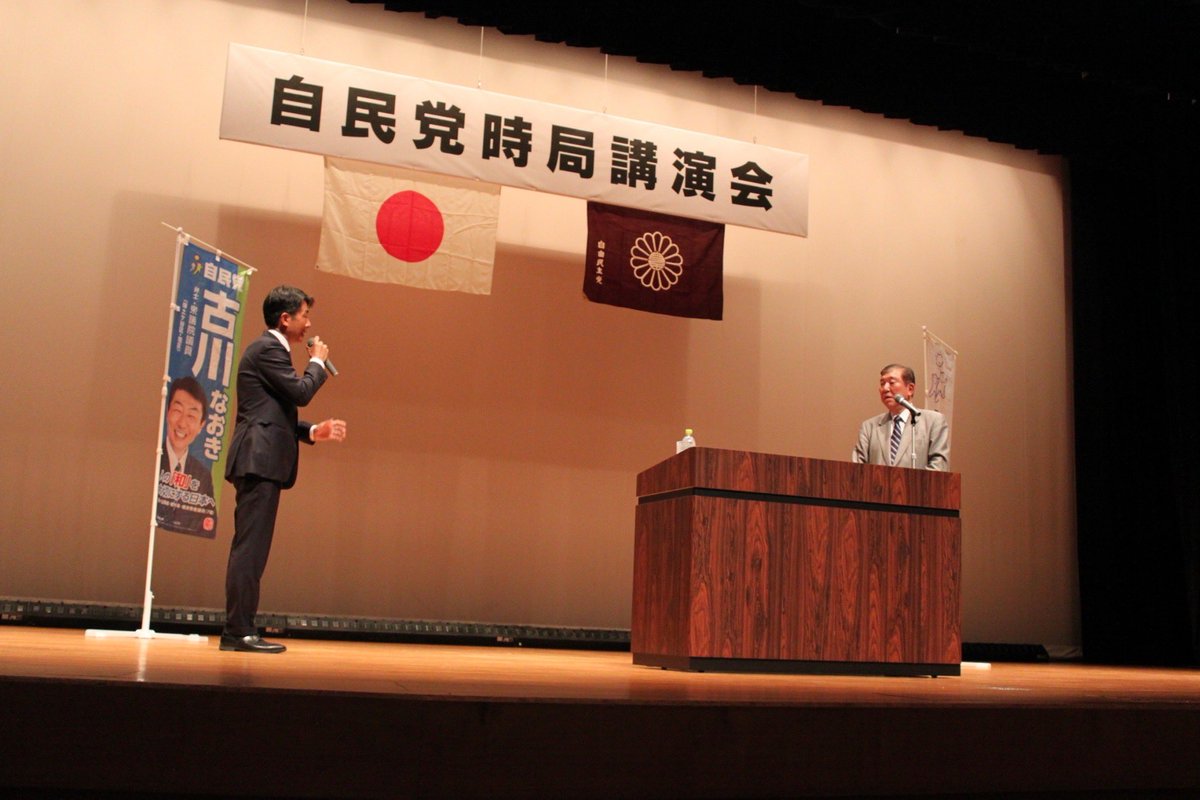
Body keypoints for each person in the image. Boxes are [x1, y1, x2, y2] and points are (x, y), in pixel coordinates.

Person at [220, 285, 347, 653]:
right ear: (285, 318)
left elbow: (273, 413)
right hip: (257, 460)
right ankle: (238, 631)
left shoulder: (272, 352)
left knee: (253, 549)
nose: (309, 324)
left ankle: (241, 628)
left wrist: (312, 431)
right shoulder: (268, 349)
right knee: (250, 550)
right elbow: (301, 392)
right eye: (305, 316)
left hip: (262, 460)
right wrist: (317, 362)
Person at [852, 363, 949, 471]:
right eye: (882, 383)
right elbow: (857, 470)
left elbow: (938, 467)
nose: (885, 388)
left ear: (910, 389)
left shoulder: (933, 421)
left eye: (891, 382)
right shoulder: (869, 427)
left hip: (919, 483)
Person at [157, 375, 218, 536]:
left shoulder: (203, 476)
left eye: (191, 416)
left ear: (201, 425)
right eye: (177, 411)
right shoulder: (154, 460)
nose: (182, 423)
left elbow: (208, 523)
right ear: (167, 412)